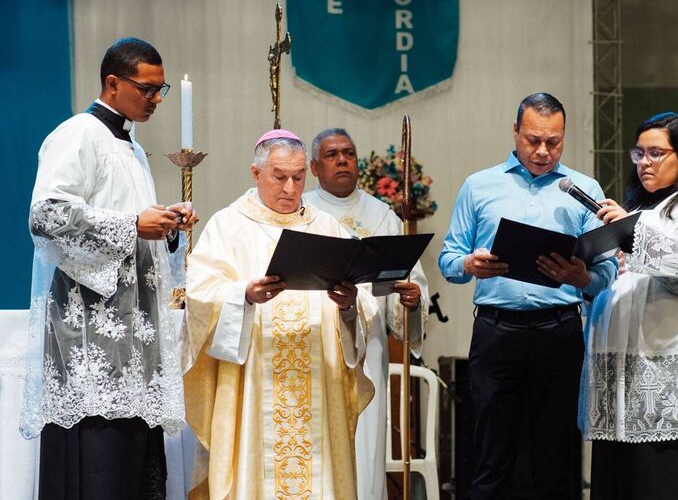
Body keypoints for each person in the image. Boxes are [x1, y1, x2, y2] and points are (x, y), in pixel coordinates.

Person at [22, 37, 196, 500]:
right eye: (148, 89)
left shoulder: (133, 149)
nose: (157, 99)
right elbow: (47, 215)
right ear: (113, 83)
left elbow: (130, 225)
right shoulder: (78, 133)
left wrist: (166, 225)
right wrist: (134, 223)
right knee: (99, 463)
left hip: (133, 335)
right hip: (92, 336)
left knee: (134, 465)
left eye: (163, 90)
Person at [439, 93, 618, 499]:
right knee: (490, 454)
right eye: (533, 139)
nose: (542, 151)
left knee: (557, 456)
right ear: (515, 132)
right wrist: (469, 264)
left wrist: (582, 276)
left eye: (553, 142)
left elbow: (608, 272)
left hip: (559, 332)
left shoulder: (584, 191)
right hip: (497, 330)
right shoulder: (480, 185)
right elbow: (448, 258)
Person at [182, 129, 378, 499]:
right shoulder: (229, 225)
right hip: (253, 384)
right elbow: (199, 294)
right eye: (279, 176)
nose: (290, 187)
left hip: (320, 382)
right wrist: (244, 295)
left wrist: (349, 303)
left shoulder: (327, 227)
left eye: (299, 176)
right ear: (256, 174)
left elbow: (364, 301)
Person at [579, 112, 678, 499]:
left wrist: (633, 234)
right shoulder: (633, 215)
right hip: (618, 398)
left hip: (670, 400)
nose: (644, 162)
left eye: (655, 153)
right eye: (639, 153)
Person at [304, 127, 429, 500]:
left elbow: (409, 278)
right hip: (317, 339)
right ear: (314, 166)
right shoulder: (302, 211)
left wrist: (411, 299)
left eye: (348, 153)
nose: (342, 160)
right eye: (332, 155)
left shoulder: (382, 215)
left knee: (366, 440)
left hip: (367, 346)